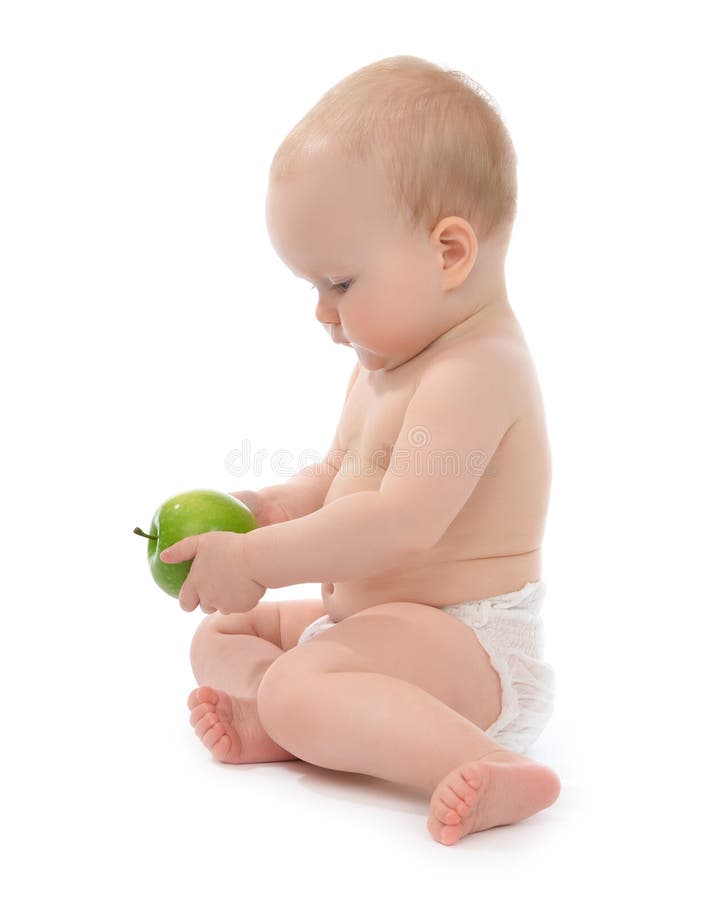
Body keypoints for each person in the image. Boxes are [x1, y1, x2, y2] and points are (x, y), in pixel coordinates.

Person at [160, 55, 561, 846]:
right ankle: (294, 721)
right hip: (375, 624)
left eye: (340, 283)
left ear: (450, 253)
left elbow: (399, 522)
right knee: (221, 639)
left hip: (465, 642)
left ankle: (488, 763)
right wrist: (263, 513)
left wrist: (263, 562)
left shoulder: (476, 370)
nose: (322, 312)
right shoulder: (387, 364)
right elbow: (340, 482)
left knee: (301, 681)